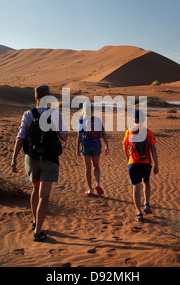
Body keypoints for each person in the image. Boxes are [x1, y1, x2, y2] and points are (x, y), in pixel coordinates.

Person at [11, 85, 68, 242]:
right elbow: (63, 136)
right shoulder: (55, 114)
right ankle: (38, 231)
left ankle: (35, 221)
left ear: (36, 98)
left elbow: (20, 136)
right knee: (44, 195)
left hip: (32, 159)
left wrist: (14, 158)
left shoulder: (28, 114)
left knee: (35, 190)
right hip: (50, 159)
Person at [122, 109, 159, 222]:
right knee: (146, 183)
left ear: (133, 120)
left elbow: (125, 147)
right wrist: (156, 164)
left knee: (136, 187)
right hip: (146, 163)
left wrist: (129, 159)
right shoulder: (148, 131)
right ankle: (146, 204)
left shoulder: (129, 132)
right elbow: (153, 149)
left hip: (133, 163)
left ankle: (138, 213)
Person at [77, 101, 109, 196]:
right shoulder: (98, 120)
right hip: (96, 145)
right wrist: (107, 146)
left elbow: (79, 136)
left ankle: (90, 189)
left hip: (86, 144)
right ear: (92, 109)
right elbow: (104, 134)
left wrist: (77, 148)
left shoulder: (81, 121)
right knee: (96, 166)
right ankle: (98, 183)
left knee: (88, 168)